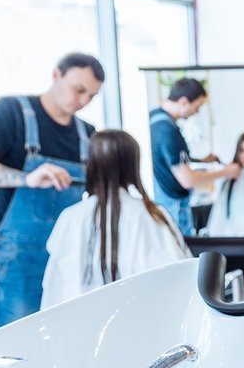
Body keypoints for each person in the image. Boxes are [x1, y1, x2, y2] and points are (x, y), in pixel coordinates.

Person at [0, 53, 104, 328]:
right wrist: (27, 178)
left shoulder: (88, 133)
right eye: (79, 89)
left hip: (68, 258)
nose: (84, 101)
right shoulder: (12, 112)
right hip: (19, 261)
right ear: (56, 75)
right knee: (17, 346)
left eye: (92, 96)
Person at [42, 131, 189, 309]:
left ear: (91, 164)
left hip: (80, 326)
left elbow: (55, 288)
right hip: (139, 322)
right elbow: (177, 277)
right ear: (133, 166)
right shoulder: (151, 214)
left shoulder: (71, 217)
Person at [150, 77, 238, 236]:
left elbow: (171, 160)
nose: (197, 112)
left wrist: (202, 161)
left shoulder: (155, 119)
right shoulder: (167, 131)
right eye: (197, 107)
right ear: (183, 102)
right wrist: (227, 172)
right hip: (174, 206)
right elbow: (188, 179)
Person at [205, 132, 244, 236]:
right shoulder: (230, 179)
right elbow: (219, 215)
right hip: (234, 237)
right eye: (243, 151)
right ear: (237, 152)